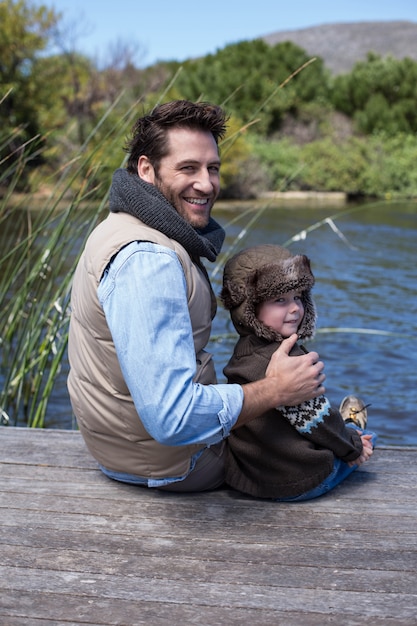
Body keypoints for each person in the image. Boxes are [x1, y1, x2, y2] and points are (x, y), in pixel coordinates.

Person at [67, 100, 326, 493]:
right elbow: (172, 418)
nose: (206, 184)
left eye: (213, 168)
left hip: (121, 448)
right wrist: (275, 389)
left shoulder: (121, 224)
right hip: (175, 462)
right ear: (146, 170)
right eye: (188, 168)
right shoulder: (148, 259)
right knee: (311, 462)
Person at [220, 243, 376, 500]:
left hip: (250, 478)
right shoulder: (290, 362)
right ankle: (353, 427)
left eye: (298, 297)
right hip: (298, 481)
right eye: (280, 300)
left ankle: (348, 429)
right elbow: (319, 424)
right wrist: (354, 447)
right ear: (249, 309)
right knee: (366, 438)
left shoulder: (243, 352)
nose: (295, 308)